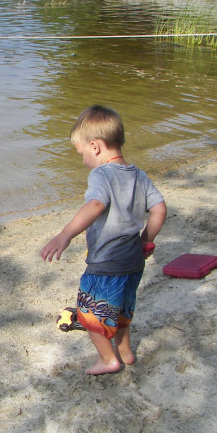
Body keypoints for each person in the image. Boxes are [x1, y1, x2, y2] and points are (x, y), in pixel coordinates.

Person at [41, 105, 167, 375]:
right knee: (121, 311)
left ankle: (109, 359)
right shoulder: (138, 174)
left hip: (106, 264)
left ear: (95, 147)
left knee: (89, 316)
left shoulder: (100, 174)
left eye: (82, 153)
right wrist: (146, 239)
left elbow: (96, 204)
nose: (83, 160)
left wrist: (64, 235)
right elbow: (159, 209)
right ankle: (126, 352)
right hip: (133, 262)